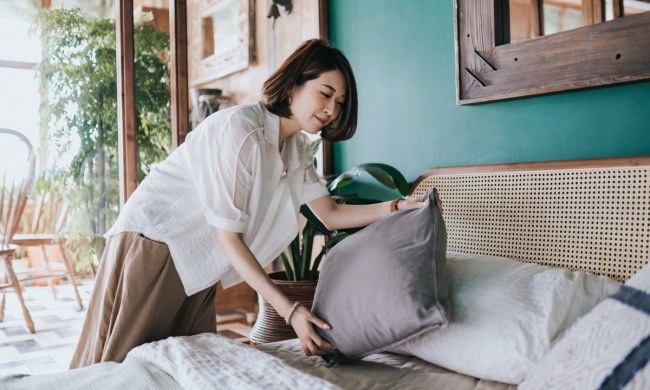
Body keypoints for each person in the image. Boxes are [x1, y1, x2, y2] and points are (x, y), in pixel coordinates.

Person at [69, 39, 433, 368]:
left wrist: (395, 208)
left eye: (339, 103)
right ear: (294, 83)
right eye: (325, 94)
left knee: (177, 368)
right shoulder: (242, 131)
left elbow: (330, 213)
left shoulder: (295, 147)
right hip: (156, 244)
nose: (331, 110)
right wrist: (290, 311)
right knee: (114, 368)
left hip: (198, 263)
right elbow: (230, 239)